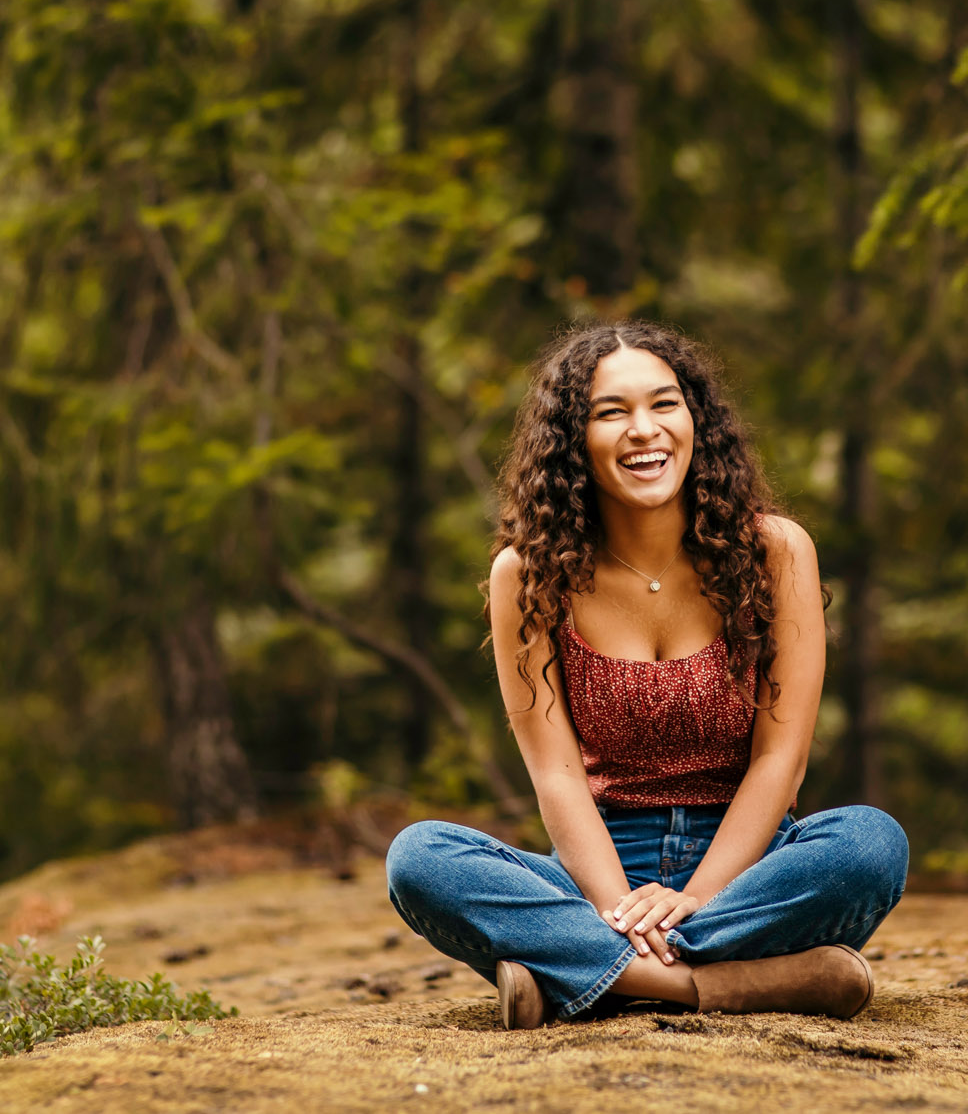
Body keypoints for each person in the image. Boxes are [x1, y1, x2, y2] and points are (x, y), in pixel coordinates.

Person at [385, 321, 909, 1030]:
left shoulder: (774, 552)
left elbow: (779, 763)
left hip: (749, 868)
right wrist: (616, 908)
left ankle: (585, 975)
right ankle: (723, 982)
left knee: (870, 842)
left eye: (663, 404)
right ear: (573, 440)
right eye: (610, 412)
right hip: (598, 871)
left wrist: (693, 898)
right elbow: (557, 775)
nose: (643, 430)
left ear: (696, 420)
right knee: (420, 857)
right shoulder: (528, 574)